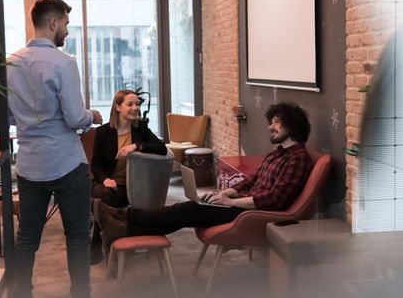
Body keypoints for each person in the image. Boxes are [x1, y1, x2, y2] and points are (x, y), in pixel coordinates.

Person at [96, 102, 314, 245]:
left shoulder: (297, 158)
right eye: (271, 122)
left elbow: (275, 200)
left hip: (254, 214)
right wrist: (228, 192)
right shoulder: (276, 154)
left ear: (293, 126)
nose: (270, 127)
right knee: (188, 209)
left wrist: (231, 203)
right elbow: (252, 180)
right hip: (244, 206)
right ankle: (124, 227)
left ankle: (124, 219)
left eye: (277, 122)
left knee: (186, 210)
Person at [7, 0, 102, 298]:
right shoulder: (63, 63)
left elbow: (7, 116)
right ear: (53, 22)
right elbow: (75, 118)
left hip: (29, 165)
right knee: (76, 238)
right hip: (66, 164)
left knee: (27, 237)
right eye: (66, 24)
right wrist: (92, 117)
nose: (67, 31)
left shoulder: (10, 63)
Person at [90, 89, 167, 263]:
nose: (135, 108)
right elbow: (95, 164)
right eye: (130, 104)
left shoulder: (140, 129)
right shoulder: (103, 132)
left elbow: (162, 149)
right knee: (107, 195)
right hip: (104, 181)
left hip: (128, 185)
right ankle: (112, 247)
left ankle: (104, 244)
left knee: (110, 200)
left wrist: (136, 146)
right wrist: (106, 179)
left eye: (137, 104)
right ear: (118, 107)